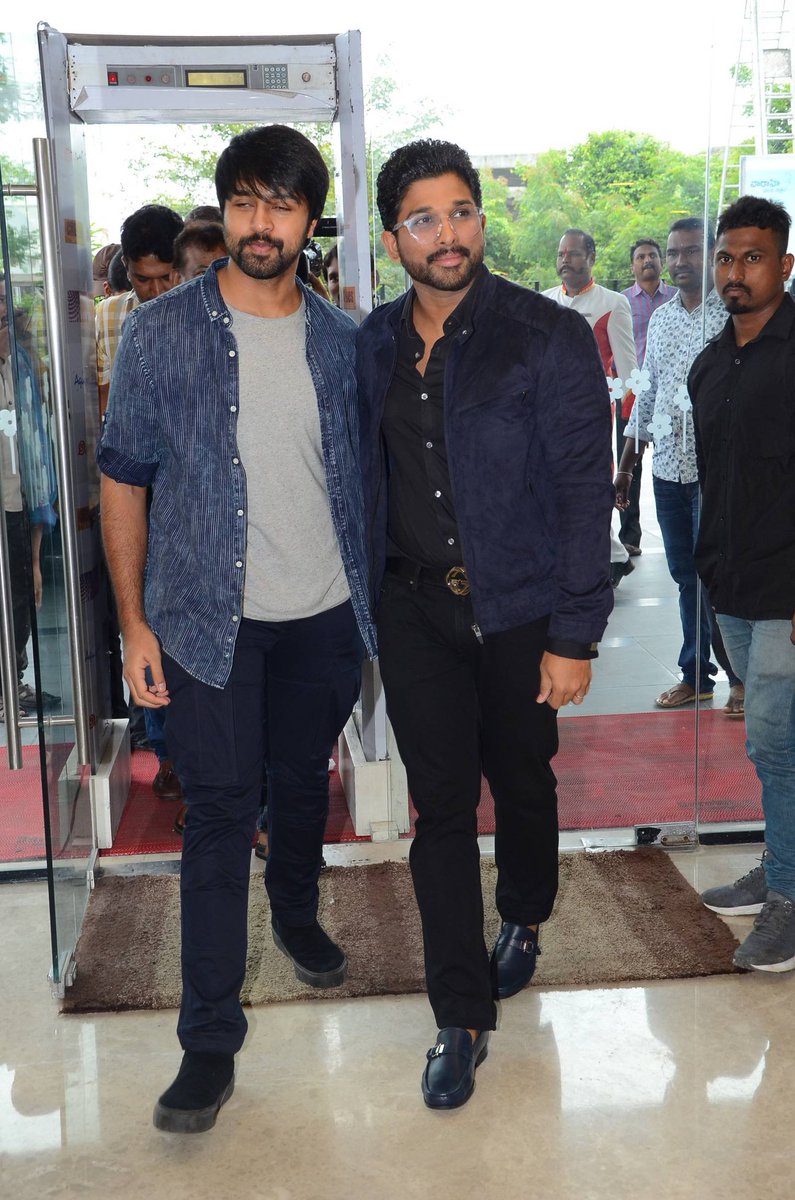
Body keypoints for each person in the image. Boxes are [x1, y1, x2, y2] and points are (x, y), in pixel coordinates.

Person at [97, 124, 375, 1133]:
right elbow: (123, 479)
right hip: (204, 620)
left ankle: (295, 909)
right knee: (218, 811)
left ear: (310, 221)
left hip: (324, 617)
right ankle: (208, 1041)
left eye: (283, 206)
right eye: (247, 202)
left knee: (299, 784)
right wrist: (133, 624)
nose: (264, 224)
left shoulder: (346, 341)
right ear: (225, 211)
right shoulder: (159, 333)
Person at [358, 140, 613, 1109]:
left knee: (522, 774)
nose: (448, 234)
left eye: (460, 211)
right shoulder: (371, 345)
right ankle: (458, 1017)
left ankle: (526, 911)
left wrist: (574, 634)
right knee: (440, 809)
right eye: (423, 219)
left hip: (520, 608)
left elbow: (586, 491)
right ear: (394, 239)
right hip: (413, 606)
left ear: (479, 218)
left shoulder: (545, 335)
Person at [691, 195, 795, 970]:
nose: (735, 271)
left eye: (752, 257)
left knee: (774, 743)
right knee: (769, 748)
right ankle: (778, 865)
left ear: (783, 265)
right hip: (728, 581)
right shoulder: (711, 360)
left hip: (785, 590)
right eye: (725, 257)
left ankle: (787, 898)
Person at [615, 217, 744, 714]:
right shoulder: (663, 319)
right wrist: (627, 465)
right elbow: (646, 393)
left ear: (711, 256)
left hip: (717, 472)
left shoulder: (731, 315)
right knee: (685, 577)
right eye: (674, 253)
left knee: (716, 576)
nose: (679, 261)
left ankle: (739, 678)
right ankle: (696, 676)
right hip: (668, 471)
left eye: (691, 251)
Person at [544, 229, 638, 586]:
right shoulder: (544, 301)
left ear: (592, 257)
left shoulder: (612, 303)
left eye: (573, 253)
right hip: (548, 415)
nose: (565, 259)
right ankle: (608, 558)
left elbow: (629, 374)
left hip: (591, 415)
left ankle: (608, 560)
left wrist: (631, 429)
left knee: (592, 487)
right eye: (561, 254)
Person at [0, 273, 59, 722]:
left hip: (16, 501)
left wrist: (38, 546)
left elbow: (35, 444)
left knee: (21, 596)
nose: (7, 320)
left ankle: (11, 679)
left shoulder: (19, 364)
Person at [95, 204, 184, 417]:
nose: (157, 291)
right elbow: (104, 401)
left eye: (166, 277)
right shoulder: (107, 314)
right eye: (143, 279)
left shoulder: (210, 312)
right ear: (126, 266)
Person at [618, 239, 677, 555]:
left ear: (661, 261)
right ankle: (630, 536)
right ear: (633, 265)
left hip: (672, 396)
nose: (647, 260)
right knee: (630, 467)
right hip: (633, 396)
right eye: (640, 256)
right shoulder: (622, 301)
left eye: (652, 255)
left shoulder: (678, 297)